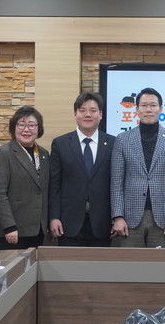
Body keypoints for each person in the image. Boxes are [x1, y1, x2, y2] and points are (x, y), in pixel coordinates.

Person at [111, 87, 165, 247]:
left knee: (160, 262)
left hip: (163, 217)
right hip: (130, 217)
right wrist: (118, 216)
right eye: (144, 105)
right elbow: (117, 182)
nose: (148, 109)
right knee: (130, 261)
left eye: (153, 105)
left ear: (161, 108)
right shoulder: (122, 139)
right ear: (137, 109)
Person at [49, 92, 115, 246]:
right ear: (75, 113)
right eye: (82, 110)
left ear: (101, 114)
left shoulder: (113, 143)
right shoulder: (61, 144)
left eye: (93, 110)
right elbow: (54, 185)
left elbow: (117, 183)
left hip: (103, 223)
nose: (88, 114)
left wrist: (117, 217)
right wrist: (54, 217)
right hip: (68, 223)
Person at [0, 106, 49, 248]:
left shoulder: (44, 154)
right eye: (21, 125)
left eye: (32, 125)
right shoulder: (4, 153)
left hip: (38, 229)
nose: (26, 129)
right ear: (14, 127)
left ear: (39, 128)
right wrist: (9, 226)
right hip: (14, 230)